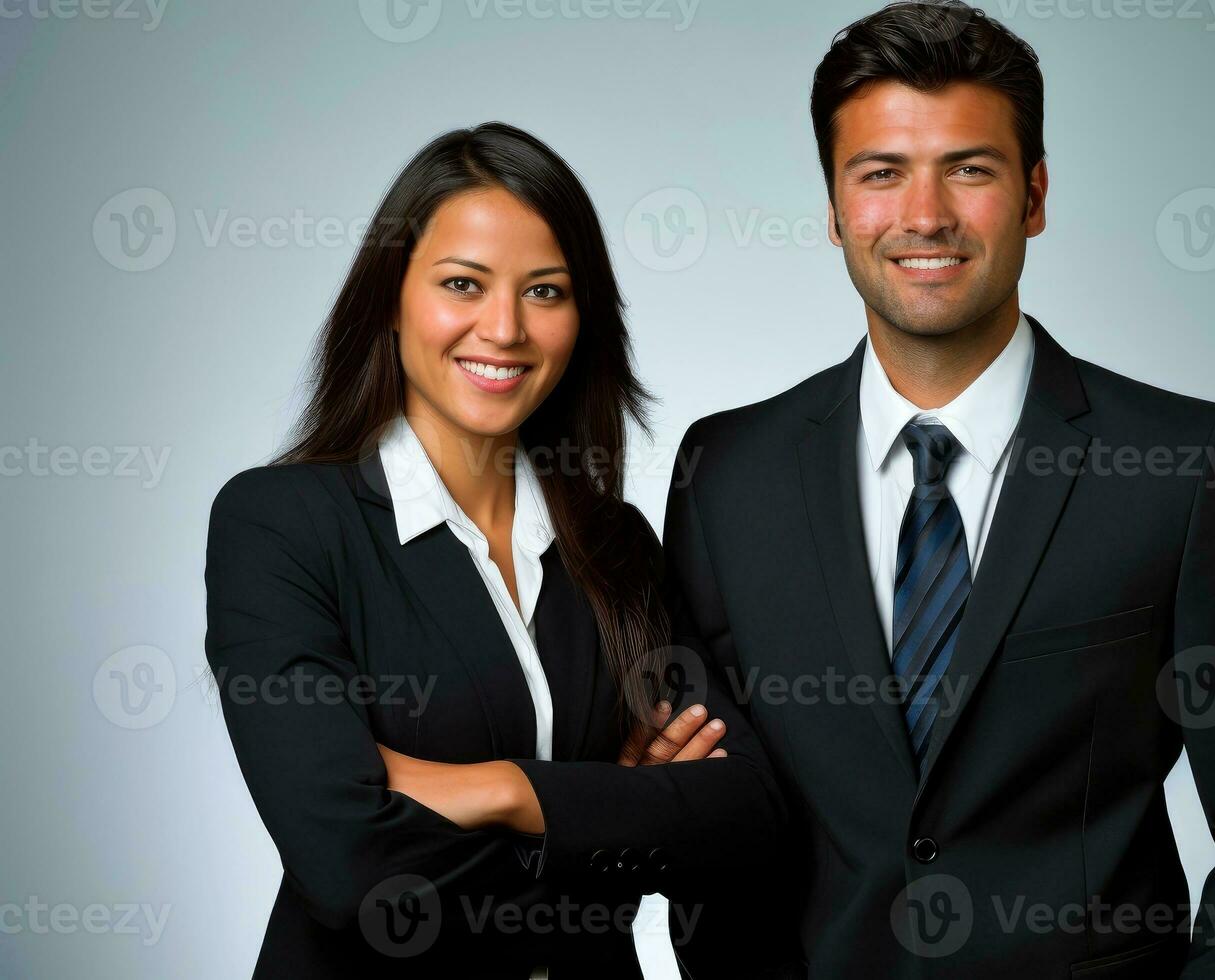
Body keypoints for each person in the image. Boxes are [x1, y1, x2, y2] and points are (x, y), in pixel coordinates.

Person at [660, 3, 1215, 977]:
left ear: (1034, 194)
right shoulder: (725, 473)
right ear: (832, 206)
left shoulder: (1185, 464)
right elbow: (713, 820)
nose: (925, 214)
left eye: (970, 168)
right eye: (881, 173)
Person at [203, 121, 786, 977]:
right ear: (391, 300)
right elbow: (351, 870)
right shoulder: (280, 524)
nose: (505, 328)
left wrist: (503, 792)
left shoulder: (615, 544)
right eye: (463, 284)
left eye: (545, 291)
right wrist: (621, 814)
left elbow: (749, 815)